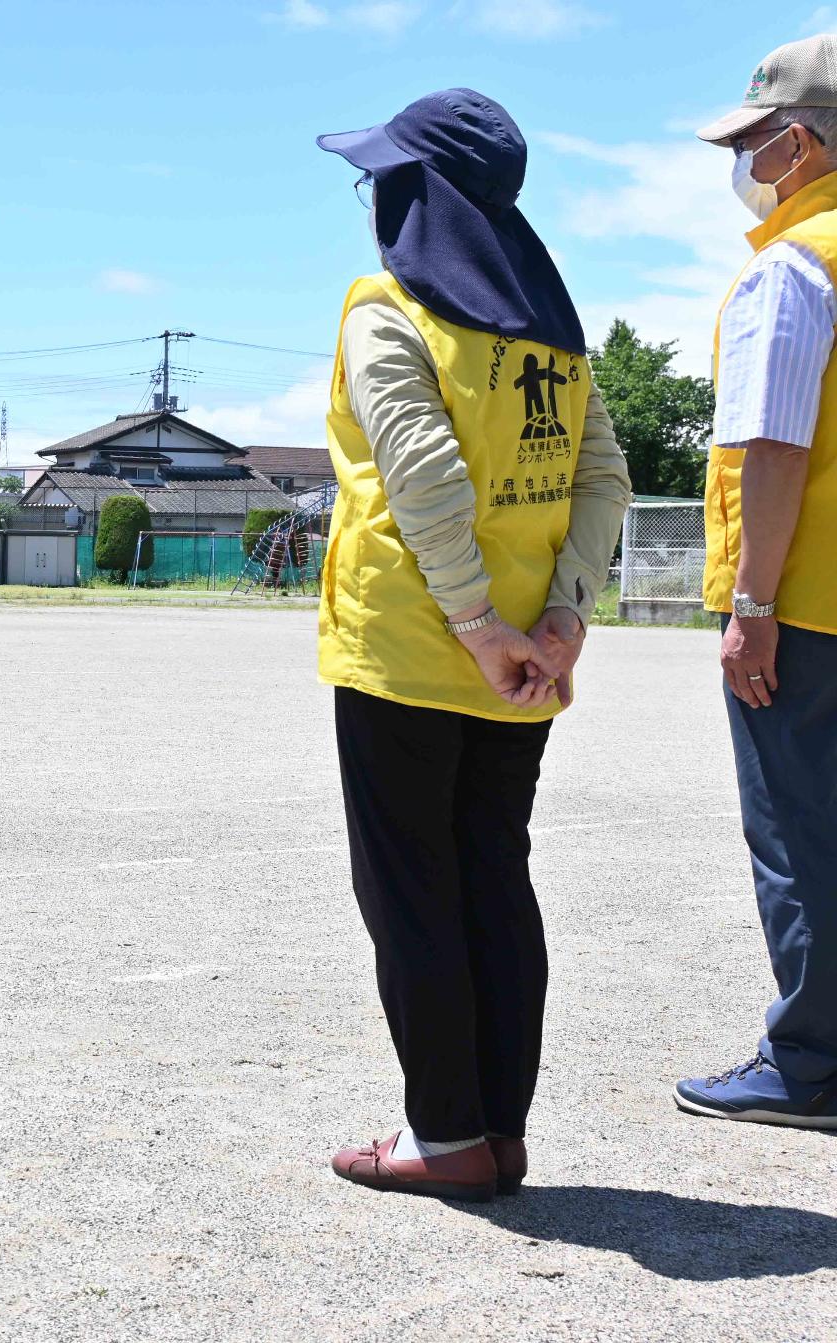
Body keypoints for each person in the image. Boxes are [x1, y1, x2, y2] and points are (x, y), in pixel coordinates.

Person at [314, 91, 632, 1199]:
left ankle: (442, 1134)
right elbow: (603, 478)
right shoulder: (550, 331)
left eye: (378, 178)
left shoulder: (384, 308)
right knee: (492, 875)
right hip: (525, 661)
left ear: (412, 193)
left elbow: (422, 478)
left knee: (410, 888)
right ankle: (497, 1125)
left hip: (414, 647)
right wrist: (561, 620)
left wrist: (476, 626)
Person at [675, 36, 837, 1131]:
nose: (739, 158)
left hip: (810, 603)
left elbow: (772, 446)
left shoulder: (793, 264)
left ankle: (811, 1063)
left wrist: (750, 605)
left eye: (746, 139)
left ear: (797, 141)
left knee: (798, 829)